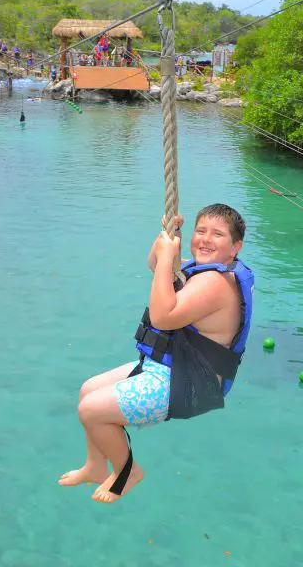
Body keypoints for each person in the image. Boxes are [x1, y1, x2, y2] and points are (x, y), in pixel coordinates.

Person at [58, 204, 254, 503]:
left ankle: (128, 472)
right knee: (88, 391)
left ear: (235, 247)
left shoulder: (215, 283)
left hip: (188, 383)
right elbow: (155, 265)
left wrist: (167, 258)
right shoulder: (201, 271)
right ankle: (96, 466)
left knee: (91, 411)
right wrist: (164, 239)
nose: (205, 239)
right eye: (200, 231)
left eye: (217, 234)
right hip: (168, 368)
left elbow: (163, 318)